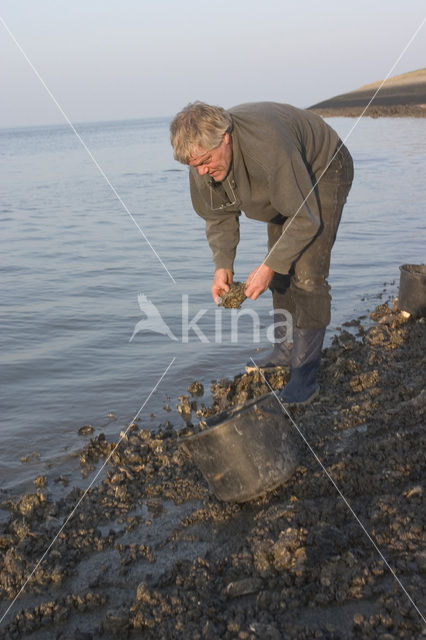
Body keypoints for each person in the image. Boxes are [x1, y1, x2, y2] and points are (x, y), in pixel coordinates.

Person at [170, 101, 353, 404]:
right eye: (194, 166)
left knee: (307, 273)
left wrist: (269, 266)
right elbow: (218, 216)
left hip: (324, 167)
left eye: (206, 161)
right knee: (279, 269)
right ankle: (284, 350)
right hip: (283, 188)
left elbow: (305, 218)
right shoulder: (201, 161)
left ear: (225, 137)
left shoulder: (267, 149)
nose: (202, 171)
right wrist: (222, 265)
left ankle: (305, 378)